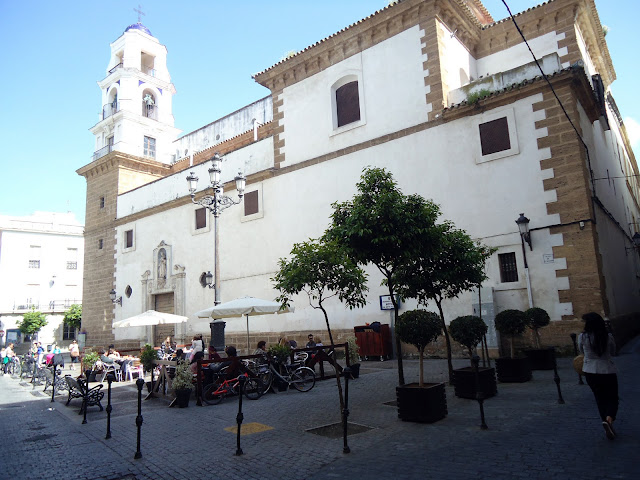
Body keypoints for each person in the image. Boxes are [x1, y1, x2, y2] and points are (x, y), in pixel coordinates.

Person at [578, 312, 619, 440]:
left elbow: (580, 351)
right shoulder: (608, 336)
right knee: (612, 397)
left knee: (599, 398)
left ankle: (605, 422)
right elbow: (613, 351)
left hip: (590, 371)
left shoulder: (583, 337)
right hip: (607, 370)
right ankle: (609, 418)